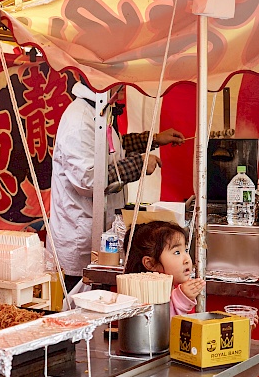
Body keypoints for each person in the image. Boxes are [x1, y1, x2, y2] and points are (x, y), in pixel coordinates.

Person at [47, 80, 185, 292]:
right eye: (119, 86)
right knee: (78, 305)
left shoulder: (101, 112)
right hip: (79, 238)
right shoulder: (80, 121)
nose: (123, 92)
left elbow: (114, 148)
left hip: (100, 234)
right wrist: (139, 163)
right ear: (100, 84)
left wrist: (154, 139)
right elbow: (89, 180)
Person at [123, 220, 204, 317]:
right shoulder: (142, 295)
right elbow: (158, 325)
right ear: (151, 264)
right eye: (177, 252)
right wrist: (181, 298)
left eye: (186, 250)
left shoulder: (179, 286)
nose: (187, 259)